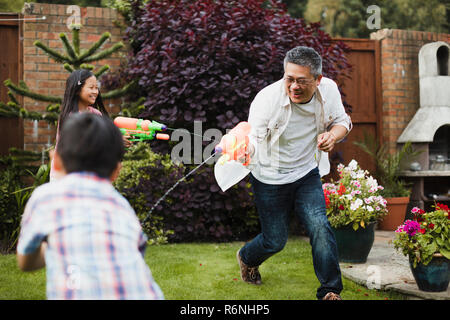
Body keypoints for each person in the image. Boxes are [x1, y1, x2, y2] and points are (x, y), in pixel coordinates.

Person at [236, 46, 352, 300]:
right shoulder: (267, 100)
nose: (294, 86)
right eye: (289, 79)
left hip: (306, 172)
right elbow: (253, 137)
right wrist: (246, 150)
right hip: (269, 176)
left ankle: (330, 291)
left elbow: (343, 122)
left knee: (319, 225)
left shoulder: (328, 90)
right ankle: (247, 257)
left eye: (302, 81)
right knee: (275, 241)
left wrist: (332, 135)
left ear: (318, 80)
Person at [16, 113, 164, 300]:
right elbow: (136, 248)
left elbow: (25, 261)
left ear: (57, 160)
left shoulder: (46, 197)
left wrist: (54, 245)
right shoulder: (121, 205)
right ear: (116, 172)